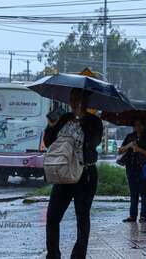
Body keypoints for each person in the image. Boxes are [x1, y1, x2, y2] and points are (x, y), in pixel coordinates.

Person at [43, 88, 103, 259]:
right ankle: (53, 254)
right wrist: (50, 126)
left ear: (84, 101)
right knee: (52, 217)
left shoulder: (94, 122)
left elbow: (93, 142)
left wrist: (81, 119)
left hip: (85, 174)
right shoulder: (64, 119)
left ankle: (78, 255)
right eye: (72, 97)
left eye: (77, 98)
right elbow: (49, 142)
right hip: (63, 173)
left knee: (82, 217)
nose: (73, 101)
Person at [118, 119, 146, 223]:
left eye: (140, 125)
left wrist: (139, 150)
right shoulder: (130, 136)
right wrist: (129, 145)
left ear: (144, 126)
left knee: (144, 192)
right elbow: (120, 150)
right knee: (133, 192)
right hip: (131, 167)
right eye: (135, 125)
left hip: (144, 168)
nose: (137, 127)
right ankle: (132, 215)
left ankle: (143, 216)